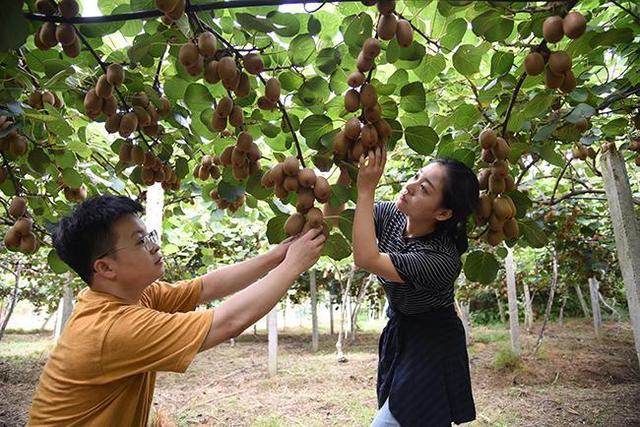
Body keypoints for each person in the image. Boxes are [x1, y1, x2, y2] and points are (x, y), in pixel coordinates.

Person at [27, 195, 325, 426]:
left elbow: (206, 287)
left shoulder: (126, 296)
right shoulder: (111, 329)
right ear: (105, 267)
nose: (154, 246)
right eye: (140, 242)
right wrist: (292, 266)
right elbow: (228, 321)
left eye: (149, 235)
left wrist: (276, 256)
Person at [347, 147, 479, 426]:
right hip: (402, 332)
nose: (409, 186)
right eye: (417, 176)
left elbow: (365, 258)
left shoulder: (440, 259)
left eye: (423, 189)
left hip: (432, 341)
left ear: (443, 213)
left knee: (398, 419)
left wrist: (365, 190)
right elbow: (340, 216)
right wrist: (345, 166)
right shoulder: (393, 216)